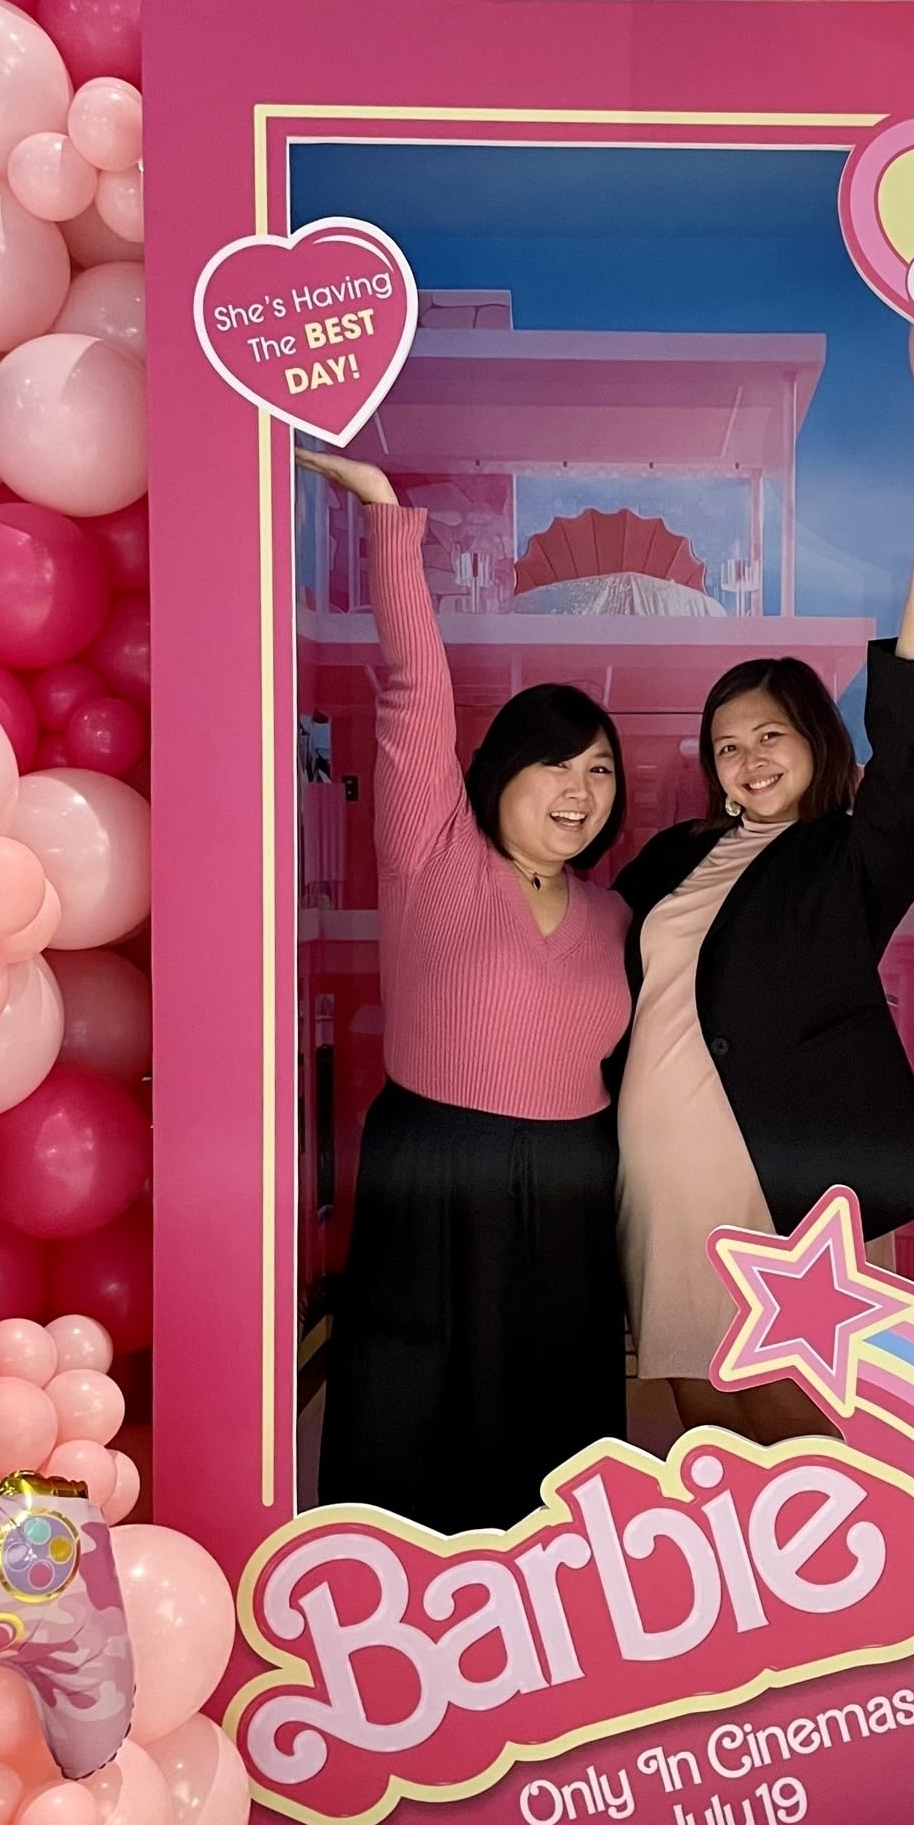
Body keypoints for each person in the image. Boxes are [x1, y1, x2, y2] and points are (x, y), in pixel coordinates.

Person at [612, 508, 914, 1444]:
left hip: (783, 1156)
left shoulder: (850, 855)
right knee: (690, 1379)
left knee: (790, 1391)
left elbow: (908, 762)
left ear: (813, 739)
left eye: (769, 736)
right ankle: (731, 1536)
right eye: (728, 746)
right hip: (658, 1155)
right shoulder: (673, 856)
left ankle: (827, 1540)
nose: (749, 760)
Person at [298, 449, 632, 1533]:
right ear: (501, 773)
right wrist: (386, 518)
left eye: (599, 769)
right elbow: (413, 688)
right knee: (417, 1398)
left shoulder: (613, 917)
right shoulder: (433, 852)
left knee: (559, 1411)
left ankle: (553, 1600)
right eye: (556, 764)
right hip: (438, 1167)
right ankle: (403, 1607)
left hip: (574, 1178)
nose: (579, 789)